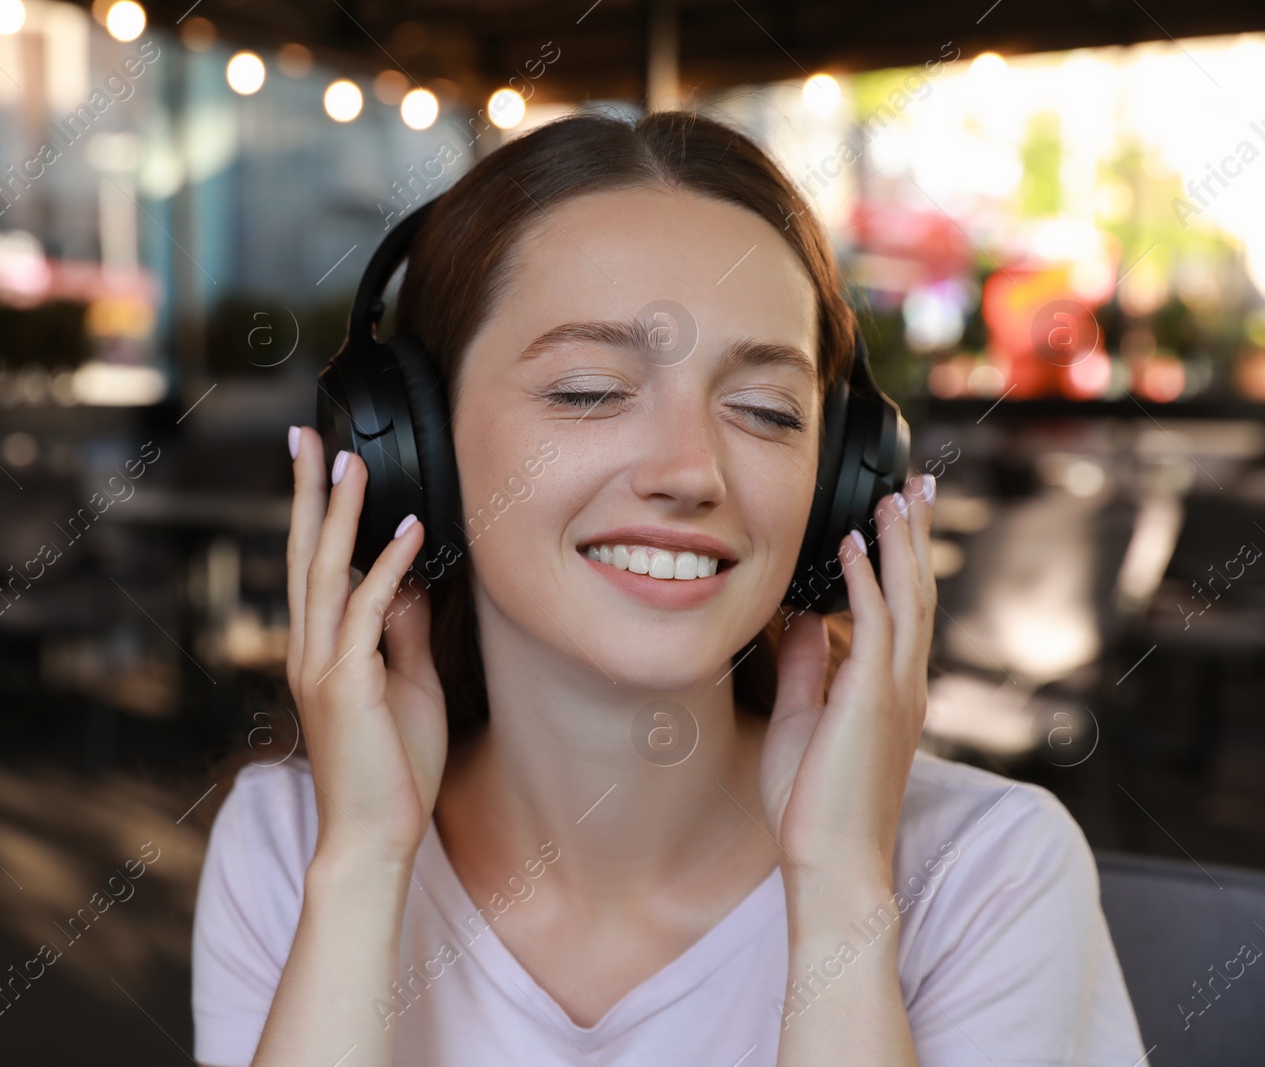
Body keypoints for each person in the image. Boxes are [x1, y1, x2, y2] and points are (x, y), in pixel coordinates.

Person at [190, 109, 1145, 1066]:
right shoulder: (292, 848)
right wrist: (364, 869)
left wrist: (844, 893)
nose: (691, 471)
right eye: (587, 392)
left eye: (767, 410)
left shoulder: (987, 871)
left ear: (840, 483)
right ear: (408, 446)